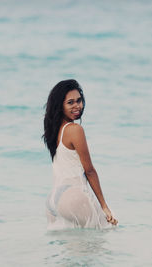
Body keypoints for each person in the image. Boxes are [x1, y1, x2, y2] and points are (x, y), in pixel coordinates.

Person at [43, 79, 118, 229]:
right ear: (60, 106)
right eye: (70, 102)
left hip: (53, 199)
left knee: (75, 250)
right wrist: (104, 205)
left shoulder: (55, 130)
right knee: (105, 236)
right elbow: (89, 170)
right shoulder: (74, 130)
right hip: (73, 196)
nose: (77, 106)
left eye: (79, 100)